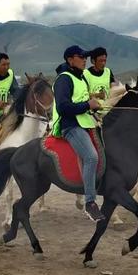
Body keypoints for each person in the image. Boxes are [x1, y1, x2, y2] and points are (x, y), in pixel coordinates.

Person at [52, 45, 104, 222]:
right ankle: (90, 203)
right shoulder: (64, 80)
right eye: (80, 56)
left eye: (85, 57)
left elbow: (83, 103)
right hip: (70, 126)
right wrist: (88, 105)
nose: (84, 59)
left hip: (86, 123)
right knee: (91, 157)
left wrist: (94, 107)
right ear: (70, 60)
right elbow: (63, 107)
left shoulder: (81, 79)